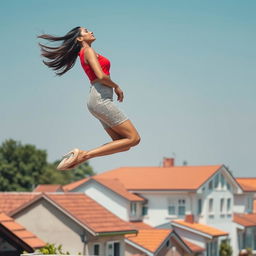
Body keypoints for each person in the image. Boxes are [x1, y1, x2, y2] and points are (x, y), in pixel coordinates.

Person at [38, 27, 140, 170]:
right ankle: (83, 155)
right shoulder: (88, 51)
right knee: (134, 139)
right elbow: (100, 76)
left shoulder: (84, 52)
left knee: (124, 143)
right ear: (79, 39)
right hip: (100, 99)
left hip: (97, 100)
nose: (91, 32)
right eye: (86, 31)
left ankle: (82, 156)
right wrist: (116, 86)